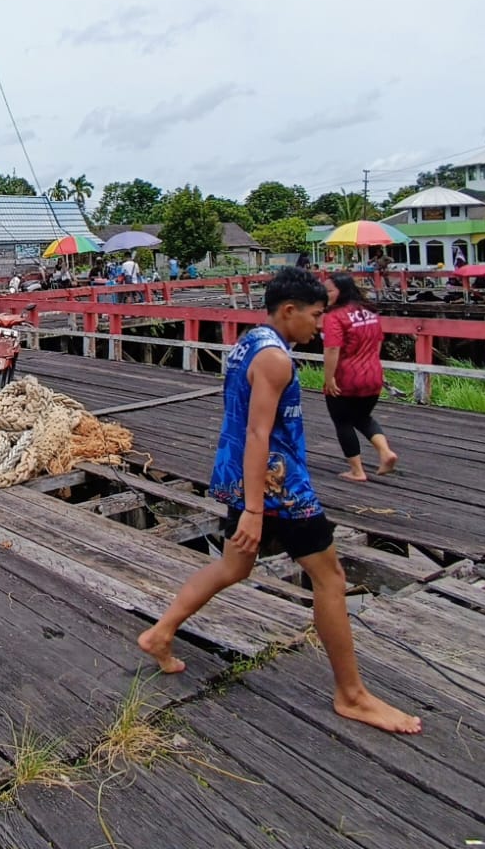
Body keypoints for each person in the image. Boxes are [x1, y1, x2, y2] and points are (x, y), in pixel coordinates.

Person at [138, 268, 421, 734]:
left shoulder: (249, 342)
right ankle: (352, 695)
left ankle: (160, 632)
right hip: (277, 484)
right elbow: (258, 432)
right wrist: (254, 508)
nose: (318, 324)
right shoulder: (275, 359)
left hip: (239, 475)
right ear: (288, 310)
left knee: (233, 567)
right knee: (330, 578)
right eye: (314, 315)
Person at [321, 273, 398, 481]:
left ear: (341, 291)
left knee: (342, 421)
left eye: (329, 290)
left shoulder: (334, 316)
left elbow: (332, 350)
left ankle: (357, 470)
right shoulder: (370, 312)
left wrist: (329, 378)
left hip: (347, 376)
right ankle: (385, 452)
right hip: (372, 374)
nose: (325, 294)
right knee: (363, 417)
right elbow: (378, 343)